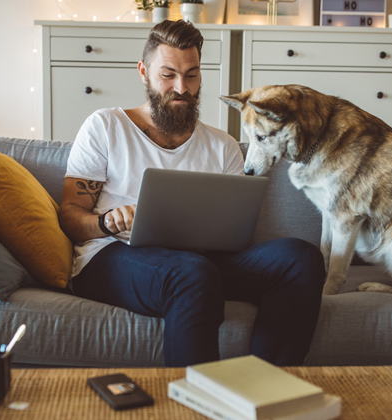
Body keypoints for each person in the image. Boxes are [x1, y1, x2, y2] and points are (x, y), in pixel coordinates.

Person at [59, 19, 325, 367]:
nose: (181, 87)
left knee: (300, 257)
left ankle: (265, 387)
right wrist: (108, 222)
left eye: (192, 75)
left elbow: (235, 233)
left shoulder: (223, 145)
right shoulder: (106, 125)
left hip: (201, 262)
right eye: (168, 74)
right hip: (112, 255)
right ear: (144, 72)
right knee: (191, 271)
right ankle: (192, 406)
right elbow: (70, 215)